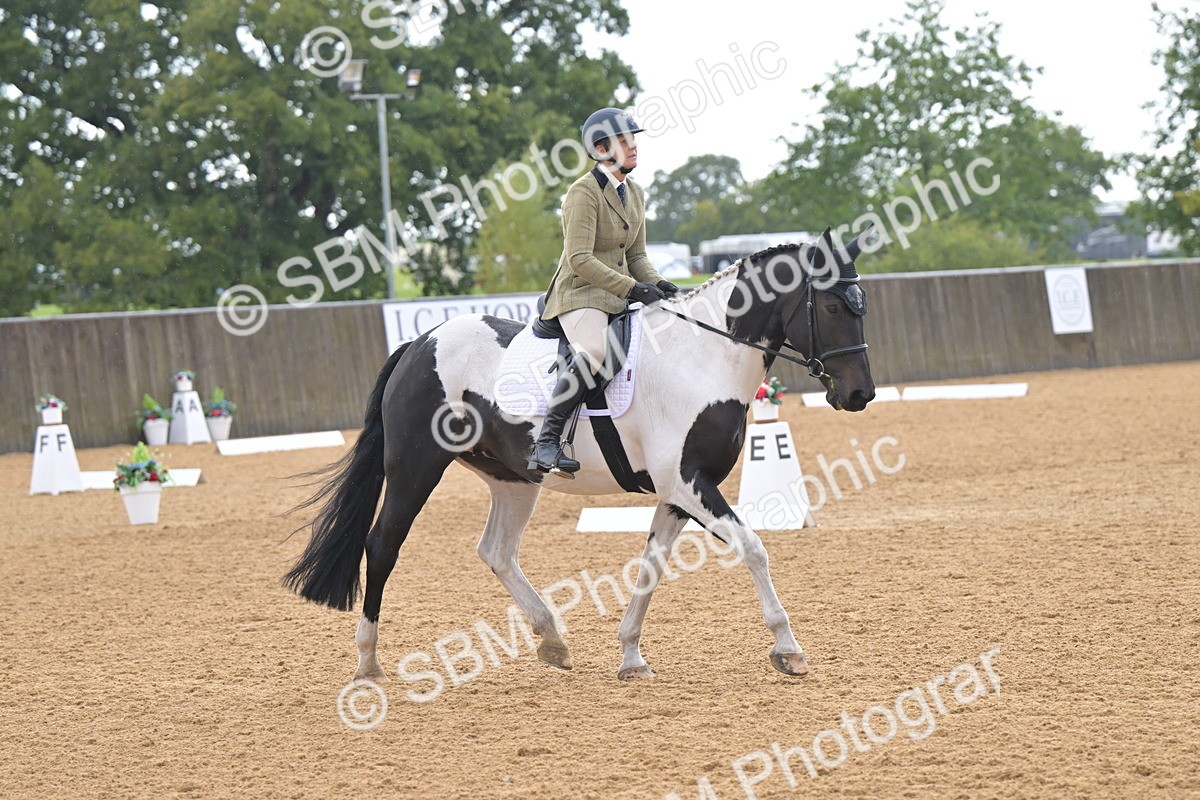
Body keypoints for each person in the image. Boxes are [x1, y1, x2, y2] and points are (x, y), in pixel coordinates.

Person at [527, 107, 680, 476]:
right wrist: (633, 288)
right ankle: (546, 442)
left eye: (633, 140)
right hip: (580, 293)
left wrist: (659, 284)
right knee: (595, 350)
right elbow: (579, 258)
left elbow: (637, 255)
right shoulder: (583, 193)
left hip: (617, 294)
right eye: (623, 141)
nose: (633, 147)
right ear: (600, 149)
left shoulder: (636, 193)